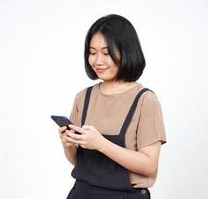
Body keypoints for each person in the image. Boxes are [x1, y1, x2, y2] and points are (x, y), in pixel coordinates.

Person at [58, 14, 167, 199]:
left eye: (106, 53)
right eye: (92, 53)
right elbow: (78, 162)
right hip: (82, 193)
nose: (98, 61)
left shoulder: (145, 100)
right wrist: (68, 144)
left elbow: (149, 165)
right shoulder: (83, 98)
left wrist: (100, 144)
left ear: (127, 51)